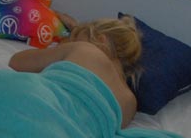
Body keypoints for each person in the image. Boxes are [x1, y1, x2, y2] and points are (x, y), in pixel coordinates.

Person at [8, 14, 142, 128]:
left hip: (42, 113)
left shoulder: (86, 50)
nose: (71, 42)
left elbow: (17, 62)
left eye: (75, 40)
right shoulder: (130, 103)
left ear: (101, 40)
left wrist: (63, 46)